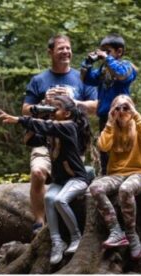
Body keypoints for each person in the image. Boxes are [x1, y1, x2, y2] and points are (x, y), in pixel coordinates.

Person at [0, 94, 92, 264]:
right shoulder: (51, 131)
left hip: (76, 178)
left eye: (55, 108)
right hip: (60, 180)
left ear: (67, 114)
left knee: (60, 200)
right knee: (49, 198)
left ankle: (76, 237)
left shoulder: (69, 127)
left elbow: (48, 127)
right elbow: (31, 140)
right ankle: (57, 241)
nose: (51, 110)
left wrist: (20, 119)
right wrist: (34, 117)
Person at [21, 34, 97, 231]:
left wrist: (72, 102)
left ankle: (68, 227)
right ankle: (39, 223)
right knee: (38, 172)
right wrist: (45, 103)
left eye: (68, 48)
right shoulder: (39, 80)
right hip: (44, 139)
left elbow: (96, 106)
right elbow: (25, 109)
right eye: (60, 48)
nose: (65, 52)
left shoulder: (82, 79)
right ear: (50, 52)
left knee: (69, 180)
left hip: (72, 141)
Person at [89, 94, 141, 260]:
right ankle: (116, 230)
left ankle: (131, 234)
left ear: (132, 109)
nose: (122, 111)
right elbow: (103, 146)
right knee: (95, 187)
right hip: (116, 174)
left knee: (125, 190)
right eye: (118, 108)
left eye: (126, 107)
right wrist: (110, 122)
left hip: (138, 172)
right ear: (112, 110)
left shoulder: (138, 124)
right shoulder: (111, 127)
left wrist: (135, 114)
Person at [80, 34, 137, 174]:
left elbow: (122, 75)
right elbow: (86, 79)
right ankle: (106, 175)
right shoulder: (103, 70)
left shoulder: (128, 66)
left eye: (107, 50)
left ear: (119, 51)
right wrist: (88, 62)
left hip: (122, 115)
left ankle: (125, 173)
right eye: (102, 50)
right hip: (105, 115)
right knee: (105, 147)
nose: (103, 54)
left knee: (122, 147)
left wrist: (107, 58)